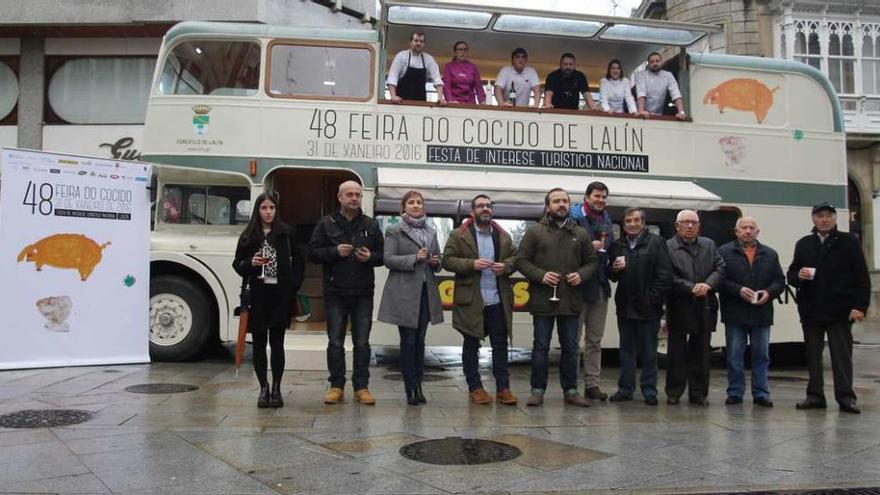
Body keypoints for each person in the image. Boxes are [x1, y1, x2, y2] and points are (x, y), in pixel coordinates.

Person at [516, 188, 597, 407]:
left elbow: (592, 263)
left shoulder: (580, 233)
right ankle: (537, 390)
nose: (561, 204)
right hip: (543, 299)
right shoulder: (535, 232)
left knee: (571, 348)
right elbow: (521, 261)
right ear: (547, 205)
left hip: (571, 300)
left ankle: (571, 391)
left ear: (570, 205)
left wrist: (581, 275)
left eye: (565, 201)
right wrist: (541, 275)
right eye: (556, 201)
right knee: (541, 346)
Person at [787, 202, 870, 414]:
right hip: (812, 310)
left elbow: (862, 277)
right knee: (813, 356)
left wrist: (860, 306)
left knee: (841, 357)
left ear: (835, 218)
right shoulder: (804, 243)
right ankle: (815, 396)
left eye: (828, 216)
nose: (824, 220)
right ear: (813, 219)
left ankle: (846, 397)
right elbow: (792, 274)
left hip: (840, 310)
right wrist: (799, 276)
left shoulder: (848, 242)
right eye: (820, 216)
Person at [308, 181, 384, 405]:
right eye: (349, 194)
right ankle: (336, 386)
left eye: (358, 195)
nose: (354, 198)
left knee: (362, 342)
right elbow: (312, 253)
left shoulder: (371, 225)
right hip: (335, 292)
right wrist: (334, 251)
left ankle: (361, 387)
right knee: (335, 342)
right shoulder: (326, 223)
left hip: (363, 292)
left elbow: (383, 255)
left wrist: (370, 257)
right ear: (339, 197)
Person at [443, 194, 518, 405]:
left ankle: (503, 388)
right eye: (480, 206)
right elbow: (447, 260)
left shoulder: (503, 236)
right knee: (471, 344)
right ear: (472, 211)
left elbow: (516, 258)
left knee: (501, 345)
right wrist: (471, 264)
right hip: (472, 300)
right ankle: (475, 387)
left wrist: (506, 267)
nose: (485, 209)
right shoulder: (459, 235)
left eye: (488, 206)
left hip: (497, 299)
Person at [233, 192, 304, 408]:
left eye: (271, 208)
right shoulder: (248, 235)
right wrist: (250, 263)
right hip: (258, 295)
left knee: (277, 343)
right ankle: (263, 388)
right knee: (259, 344)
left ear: (276, 209)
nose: (268, 212)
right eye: (264, 208)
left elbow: (300, 263)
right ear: (258, 210)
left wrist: (292, 286)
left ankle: (277, 388)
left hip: (280, 295)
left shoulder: (286, 233)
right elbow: (237, 264)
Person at [378, 190, 444, 405]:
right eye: (411, 202)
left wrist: (435, 262)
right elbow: (388, 259)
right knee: (408, 340)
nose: (416, 205)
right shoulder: (394, 230)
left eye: (419, 202)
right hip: (404, 294)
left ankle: (419, 384)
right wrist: (414, 258)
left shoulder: (432, 230)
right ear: (403, 207)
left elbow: (438, 260)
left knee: (421, 341)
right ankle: (410, 388)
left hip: (426, 293)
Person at [718, 216, 785, 408]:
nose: (748, 231)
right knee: (734, 355)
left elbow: (779, 281)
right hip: (735, 313)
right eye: (744, 227)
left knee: (762, 355)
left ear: (757, 232)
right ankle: (735, 392)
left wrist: (769, 292)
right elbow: (719, 280)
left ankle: (761, 393)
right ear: (736, 231)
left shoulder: (770, 254)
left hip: (761, 313)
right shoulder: (724, 252)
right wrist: (738, 290)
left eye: (751, 227)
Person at [607, 207, 672, 405]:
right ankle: (625, 389)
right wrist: (614, 269)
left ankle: (649, 391)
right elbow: (612, 275)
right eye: (628, 221)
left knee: (649, 352)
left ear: (643, 223)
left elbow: (665, 275)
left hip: (648, 308)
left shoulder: (656, 243)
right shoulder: (618, 245)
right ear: (624, 224)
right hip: (625, 306)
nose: (632, 224)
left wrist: (653, 299)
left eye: (636, 220)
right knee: (626, 351)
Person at [665, 209, 725, 406]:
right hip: (679, 305)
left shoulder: (709, 245)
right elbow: (667, 276)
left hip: (705, 305)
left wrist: (707, 285)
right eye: (685, 222)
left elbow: (720, 268)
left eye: (693, 222)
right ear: (677, 226)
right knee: (676, 353)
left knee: (701, 353)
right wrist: (691, 288)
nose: (690, 226)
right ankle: (674, 391)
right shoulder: (668, 247)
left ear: (699, 226)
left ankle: (698, 393)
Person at [570, 182, 613, 401]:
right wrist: (588, 246)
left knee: (595, 340)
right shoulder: (573, 217)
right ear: (586, 197)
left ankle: (592, 385)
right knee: (572, 340)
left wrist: (614, 265)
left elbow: (610, 252)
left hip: (599, 287)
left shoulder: (607, 220)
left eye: (604, 197)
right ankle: (571, 387)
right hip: (576, 287)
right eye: (597, 196)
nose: (601, 200)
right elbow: (564, 249)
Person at [387, 31, 446, 104]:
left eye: (421, 41)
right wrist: (393, 96)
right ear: (410, 42)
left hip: (421, 103)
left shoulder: (429, 59)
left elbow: (437, 79)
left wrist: (440, 98)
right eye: (416, 41)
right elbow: (392, 77)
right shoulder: (401, 56)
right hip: (401, 103)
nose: (419, 43)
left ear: (424, 44)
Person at [634, 52, 686, 120]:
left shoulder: (668, 76)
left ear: (662, 62)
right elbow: (641, 94)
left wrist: (681, 112)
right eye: (652, 62)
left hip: (658, 115)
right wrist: (641, 111)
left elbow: (676, 94)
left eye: (657, 61)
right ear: (648, 64)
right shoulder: (642, 75)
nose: (655, 63)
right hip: (640, 115)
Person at [442, 41, 486, 105]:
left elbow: (478, 86)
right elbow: (446, 86)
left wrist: (482, 101)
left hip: (470, 104)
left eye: (465, 50)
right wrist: (450, 100)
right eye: (460, 49)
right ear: (455, 52)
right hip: (454, 103)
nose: (463, 52)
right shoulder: (449, 67)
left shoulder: (473, 67)